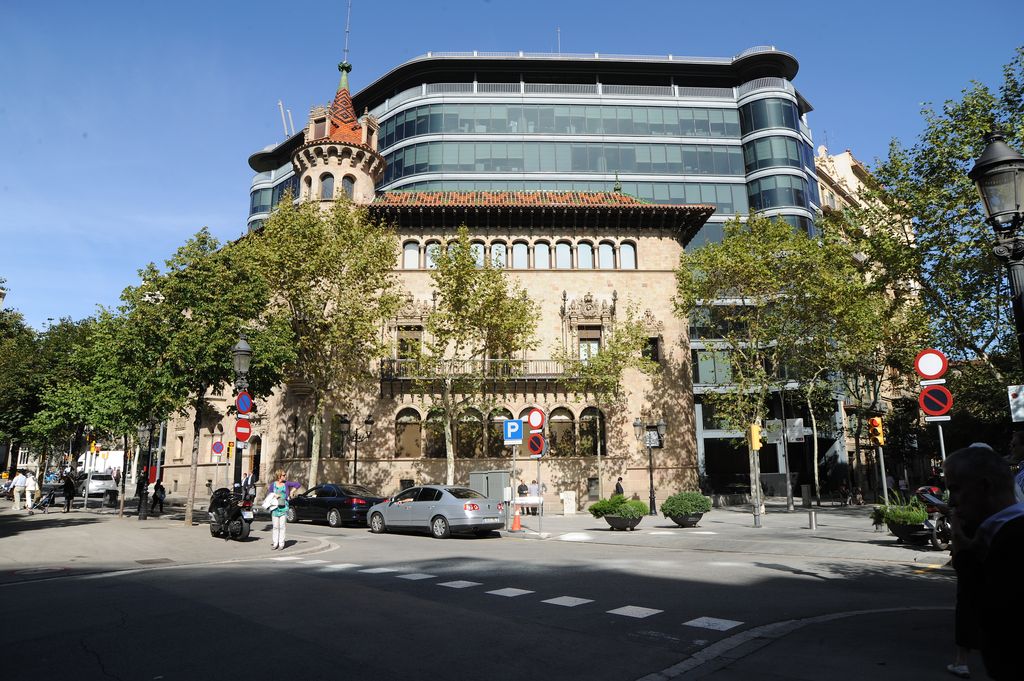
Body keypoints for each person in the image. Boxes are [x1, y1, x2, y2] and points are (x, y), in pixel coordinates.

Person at [944, 443, 1024, 680]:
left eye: (956, 490)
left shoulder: (1013, 539)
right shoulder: (997, 535)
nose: (951, 502)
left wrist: (960, 544)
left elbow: (990, 613)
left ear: (984, 487)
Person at [266, 469, 299, 551]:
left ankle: (281, 544)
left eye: (285, 475)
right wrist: (274, 495)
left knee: (282, 526)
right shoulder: (273, 485)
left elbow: (297, 484)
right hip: (275, 508)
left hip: (284, 508)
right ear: (279, 476)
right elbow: (269, 494)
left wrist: (292, 492)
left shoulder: (287, 483)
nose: (285, 476)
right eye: (284, 475)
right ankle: (275, 543)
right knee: (275, 527)